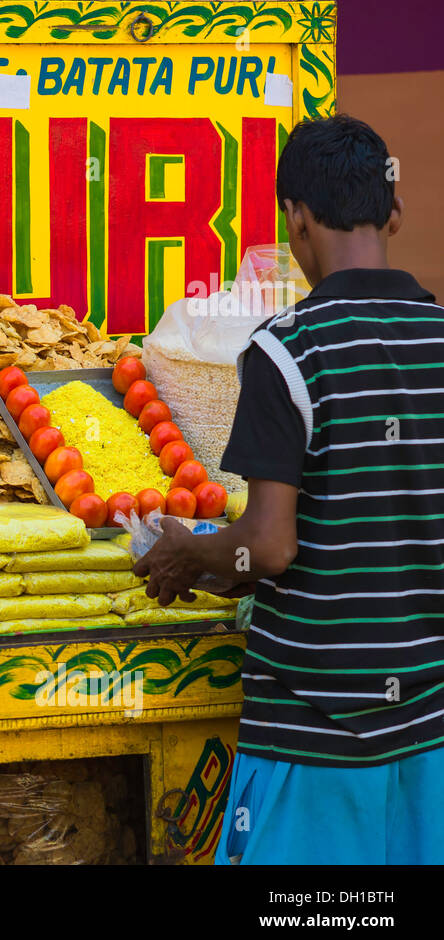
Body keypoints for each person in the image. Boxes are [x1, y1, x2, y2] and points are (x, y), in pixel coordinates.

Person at [133, 114, 444, 864]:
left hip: (317, 731)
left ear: (295, 219)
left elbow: (270, 547)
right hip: (428, 728)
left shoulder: (287, 350)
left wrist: (190, 553)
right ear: (395, 211)